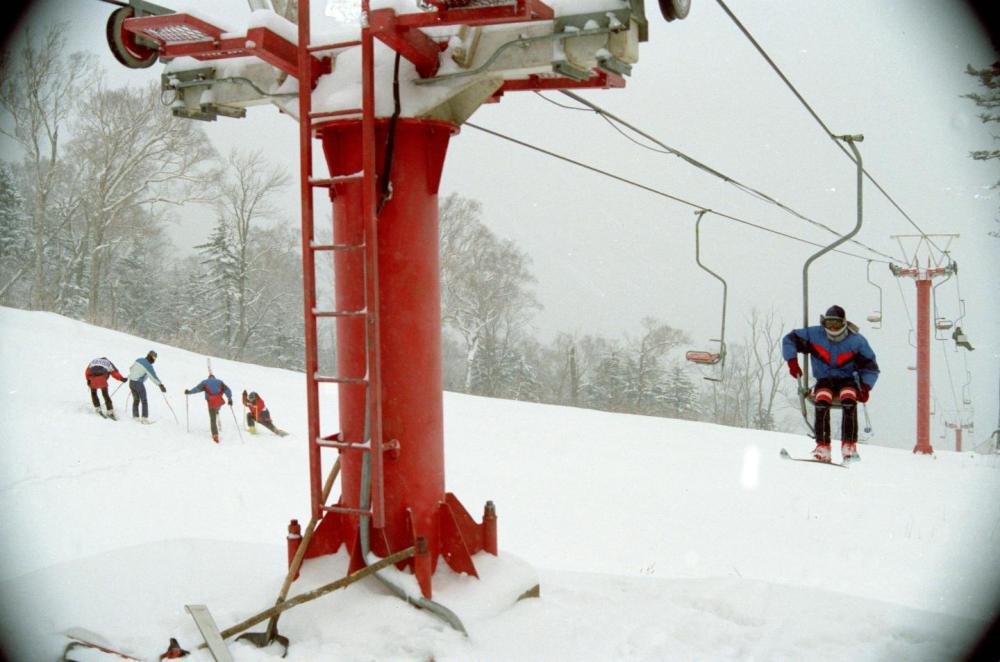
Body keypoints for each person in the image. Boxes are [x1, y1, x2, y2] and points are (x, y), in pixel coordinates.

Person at [782, 305, 879, 463]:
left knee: (849, 399)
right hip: (824, 379)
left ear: (844, 323)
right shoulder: (815, 335)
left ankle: (849, 446)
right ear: (823, 323)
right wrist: (792, 361)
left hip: (847, 379)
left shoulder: (856, 341)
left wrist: (865, 387)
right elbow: (789, 339)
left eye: (836, 324)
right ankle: (823, 446)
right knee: (822, 400)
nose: (833, 328)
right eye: (829, 324)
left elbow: (871, 368)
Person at [185, 373, 233, 443]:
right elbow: (227, 390)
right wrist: (229, 399)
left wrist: (189, 392)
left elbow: (197, 389)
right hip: (219, 401)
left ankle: (215, 435)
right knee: (217, 407)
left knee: (212, 419)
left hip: (211, 402)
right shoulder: (220, 381)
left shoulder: (205, 382)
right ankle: (217, 410)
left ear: (209, 378)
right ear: (214, 377)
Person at [128, 350, 166, 423]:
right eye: (154, 358)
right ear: (151, 356)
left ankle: (135, 417)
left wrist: (134, 375)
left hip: (131, 382)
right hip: (138, 383)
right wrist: (160, 385)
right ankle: (144, 418)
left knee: (136, 399)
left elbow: (131, 368)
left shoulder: (139, 359)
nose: (154, 360)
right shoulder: (148, 365)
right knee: (144, 400)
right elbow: (153, 376)